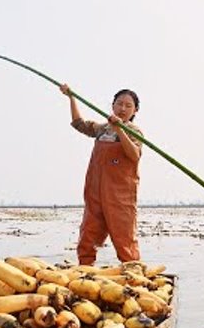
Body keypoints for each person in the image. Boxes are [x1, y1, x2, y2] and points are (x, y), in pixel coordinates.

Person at [60, 83, 143, 266]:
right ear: (112, 105)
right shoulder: (103, 129)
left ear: (135, 110)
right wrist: (71, 97)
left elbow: (134, 155)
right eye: (119, 103)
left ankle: (133, 270)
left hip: (120, 194)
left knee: (124, 235)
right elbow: (79, 124)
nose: (122, 108)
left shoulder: (134, 131)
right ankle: (85, 269)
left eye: (128, 106)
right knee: (89, 232)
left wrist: (120, 129)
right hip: (95, 190)